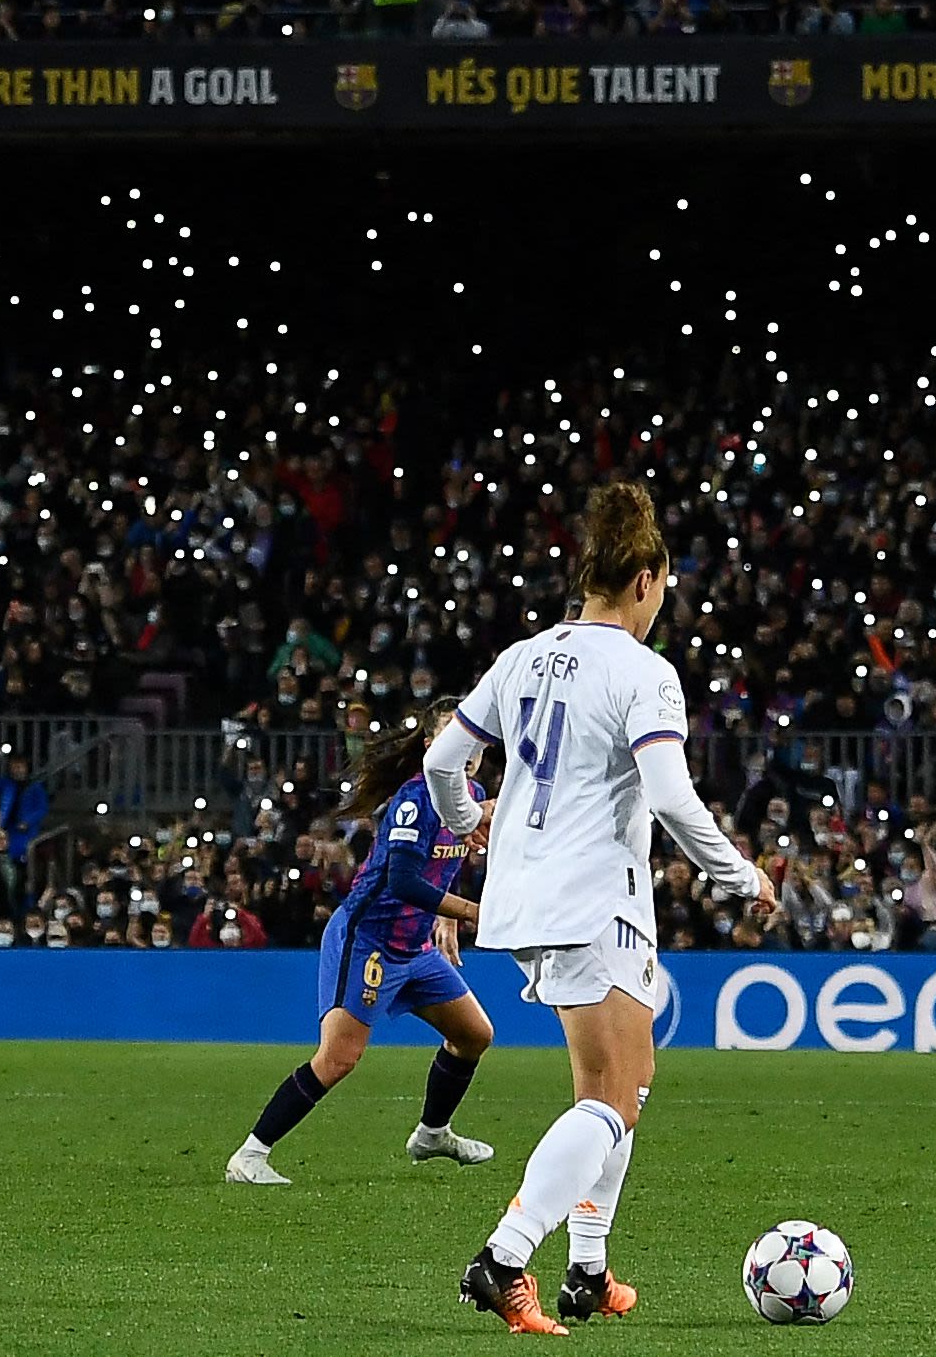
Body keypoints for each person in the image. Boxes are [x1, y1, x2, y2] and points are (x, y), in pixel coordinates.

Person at [429, 480, 766, 1334]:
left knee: (624, 1081)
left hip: (524, 894)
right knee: (612, 1102)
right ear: (647, 578)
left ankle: (588, 1267)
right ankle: (504, 1260)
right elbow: (670, 794)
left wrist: (475, 827)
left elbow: (442, 764)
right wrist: (740, 877)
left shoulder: (520, 657)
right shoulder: (643, 672)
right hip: (592, 898)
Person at [224, 717, 497, 1186]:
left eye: (475, 740)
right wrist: (474, 911)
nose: (467, 748)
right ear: (433, 746)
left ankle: (432, 1134)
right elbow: (403, 880)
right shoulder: (415, 800)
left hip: (415, 947)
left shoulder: (469, 799)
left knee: (474, 1034)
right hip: (367, 939)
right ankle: (250, 1155)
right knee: (338, 1059)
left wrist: (447, 916)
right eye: (456, 737)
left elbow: (442, 864)